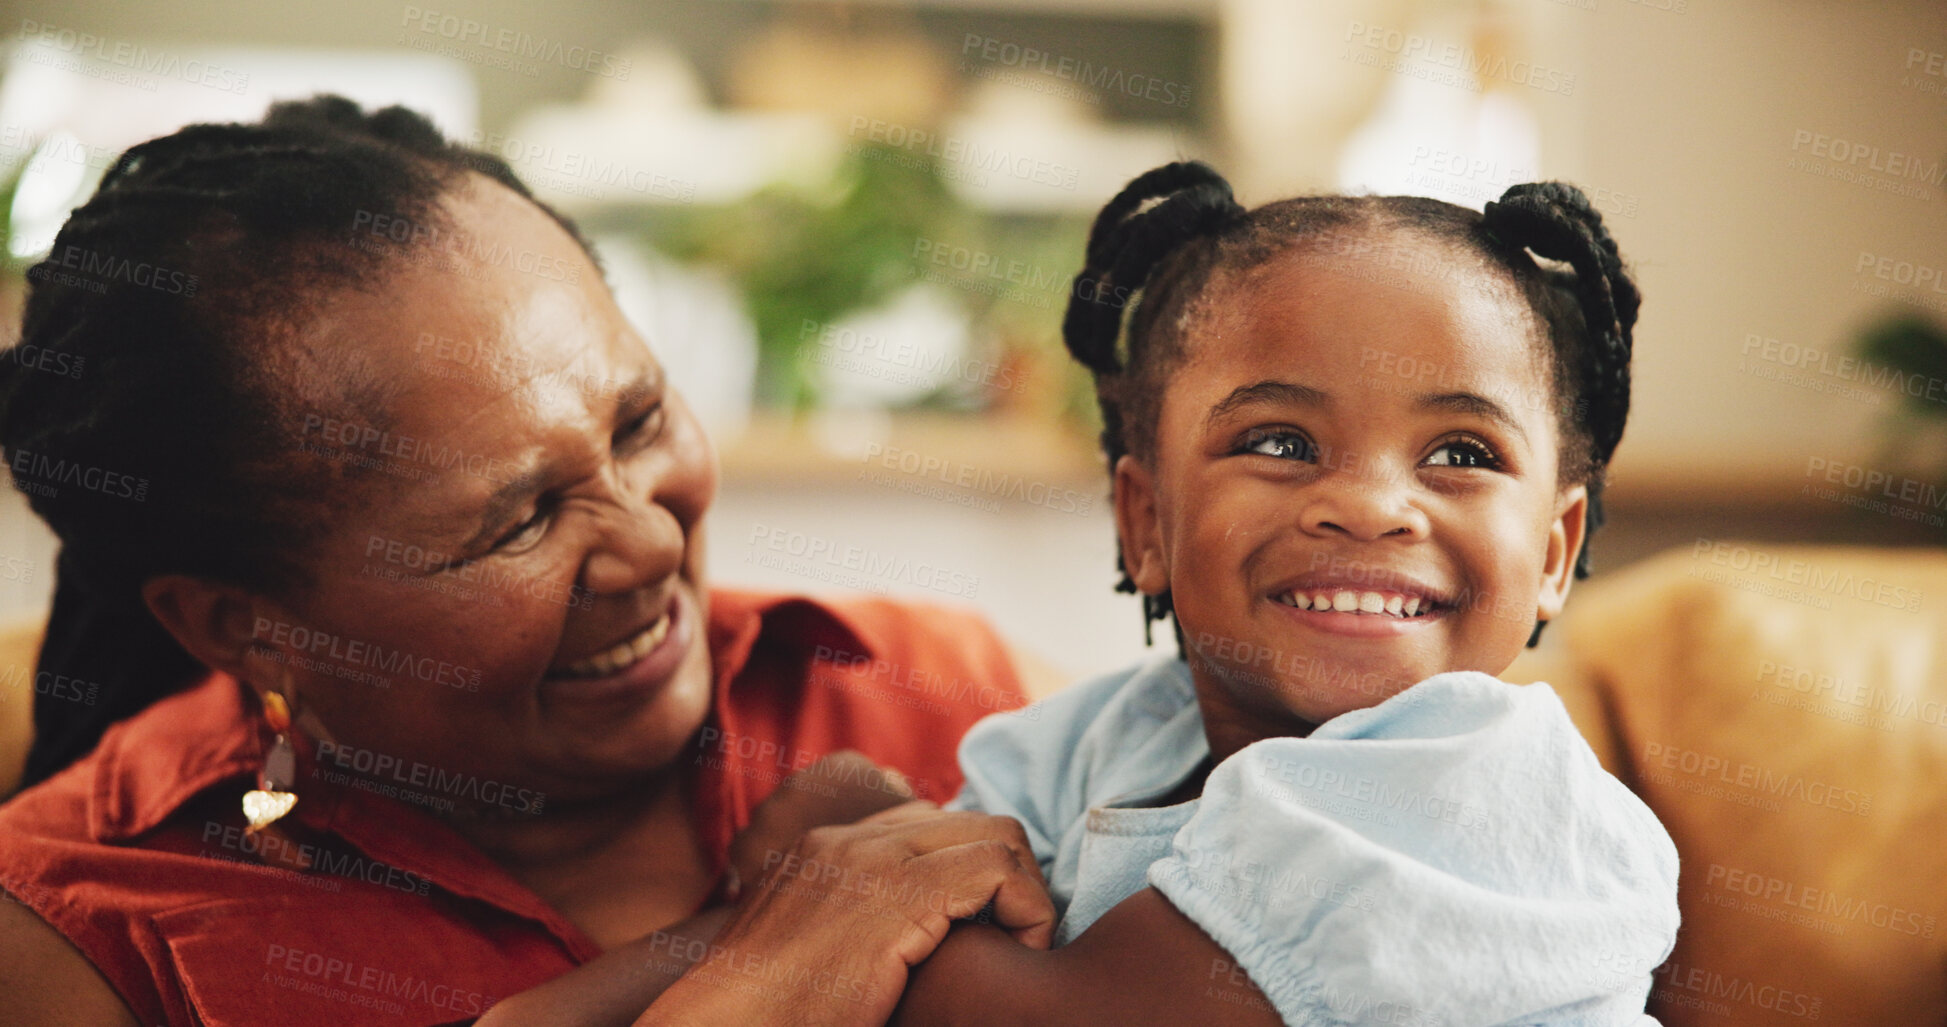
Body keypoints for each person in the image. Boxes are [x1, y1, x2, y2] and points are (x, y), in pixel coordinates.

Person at [0, 95, 1056, 1027]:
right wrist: (750, 961)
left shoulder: (944, 697)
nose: (648, 541)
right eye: (519, 521)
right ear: (243, 626)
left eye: (639, 422)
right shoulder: (83, 931)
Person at [885, 162, 1682, 1025]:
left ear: (1554, 553)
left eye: (1460, 453)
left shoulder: (1481, 784)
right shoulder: (1097, 740)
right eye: (1280, 441)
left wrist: (852, 828)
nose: (1372, 508)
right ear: (1145, 522)